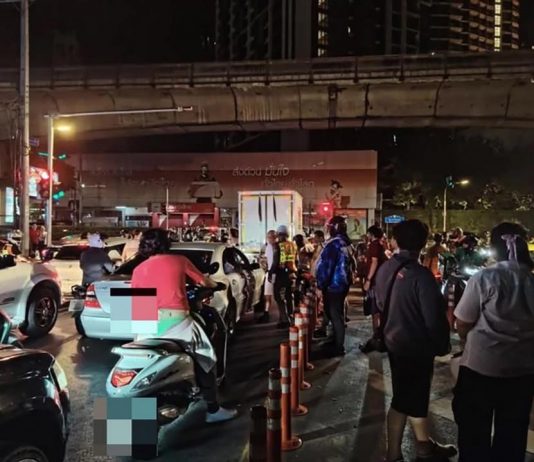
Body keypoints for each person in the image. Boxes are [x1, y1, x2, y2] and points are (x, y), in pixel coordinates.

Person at [131, 228, 237, 424]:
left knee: (136, 364)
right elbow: (204, 281)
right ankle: (212, 409)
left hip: (145, 324)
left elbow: (138, 305)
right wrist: (215, 285)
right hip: (176, 321)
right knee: (206, 357)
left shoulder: (138, 270)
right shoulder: (179, 261)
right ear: (166, 243)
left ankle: (121, 431)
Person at [374, 219, 455, 462]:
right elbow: (433, 320)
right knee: (405, 399)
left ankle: (423, 447)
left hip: (393, 341)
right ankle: (395, 454)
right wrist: (442, 345)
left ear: (395, 241)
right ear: (423, 244)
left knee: (411, 396)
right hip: (416, 347)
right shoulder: (421, 276)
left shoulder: (385, 269)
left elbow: (379, 303)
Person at [452, 222, 534, 462]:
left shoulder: (484, 278)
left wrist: (465, 340)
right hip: (523, 370)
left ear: (494, 248)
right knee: (512, 434)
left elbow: (463, 321)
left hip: (481, 367)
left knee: (473, 432)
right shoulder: (531, 280)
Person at [315, 216, 353, 357]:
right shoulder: (346, 243)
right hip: (342, 284)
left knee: (335, 315)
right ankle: (335, 340)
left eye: (329, 227)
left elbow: (326, 267)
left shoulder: (334, 244)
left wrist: (320, 285)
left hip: (334, 285)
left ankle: (338, 347)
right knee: (334, 313)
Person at [359, 225, 388, 353]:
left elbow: (374, 262)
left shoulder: (374, 245)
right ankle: (379, 337)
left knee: (375, 311)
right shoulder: (380, 245)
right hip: (380, 281)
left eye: (368, 233)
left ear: (372, 234)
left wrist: (368, 280)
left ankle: (376, 339)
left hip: (375, 282)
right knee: (378, 311)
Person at [270, 225, 297, 328]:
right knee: (289, 297)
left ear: (278, 234)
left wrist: (270, 273)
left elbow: (275, 261)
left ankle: (284, 319)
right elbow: (295, 259)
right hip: (291, 273)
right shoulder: (293, 245)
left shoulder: (278, 245)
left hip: (281, 274)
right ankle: (290, 317)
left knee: (278, 296)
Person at [258, 230, 277, 324]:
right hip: (271, 273)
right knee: (268, 295)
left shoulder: (276, 247)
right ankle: (266, 313)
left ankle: (283, 317)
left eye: (272, 237)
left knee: (276, 296)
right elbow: (265, 260)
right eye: (269, 237)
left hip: (273, 273)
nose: (270, 239)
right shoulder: (268, 247)